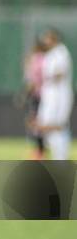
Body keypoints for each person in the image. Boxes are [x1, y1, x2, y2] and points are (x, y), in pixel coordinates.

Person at [34, 29, 74, 160]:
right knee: (45, 127)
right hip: (50, 95)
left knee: (57, 126)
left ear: (54, 38)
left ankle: (61, 158)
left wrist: (46, 78)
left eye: (47, 38)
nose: (45, 41)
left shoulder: (61, 52)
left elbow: (61, 73)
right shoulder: (51, 54)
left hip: (59, 96)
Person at [23, 42, 46, 159]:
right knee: (36, 122)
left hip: (38, 95)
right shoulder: (44, 59)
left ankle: (40, 150)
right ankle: (39, 149)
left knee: (36, 122)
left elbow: (33, 81)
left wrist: (24, 95)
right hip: (42, 95)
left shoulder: (37, 60)